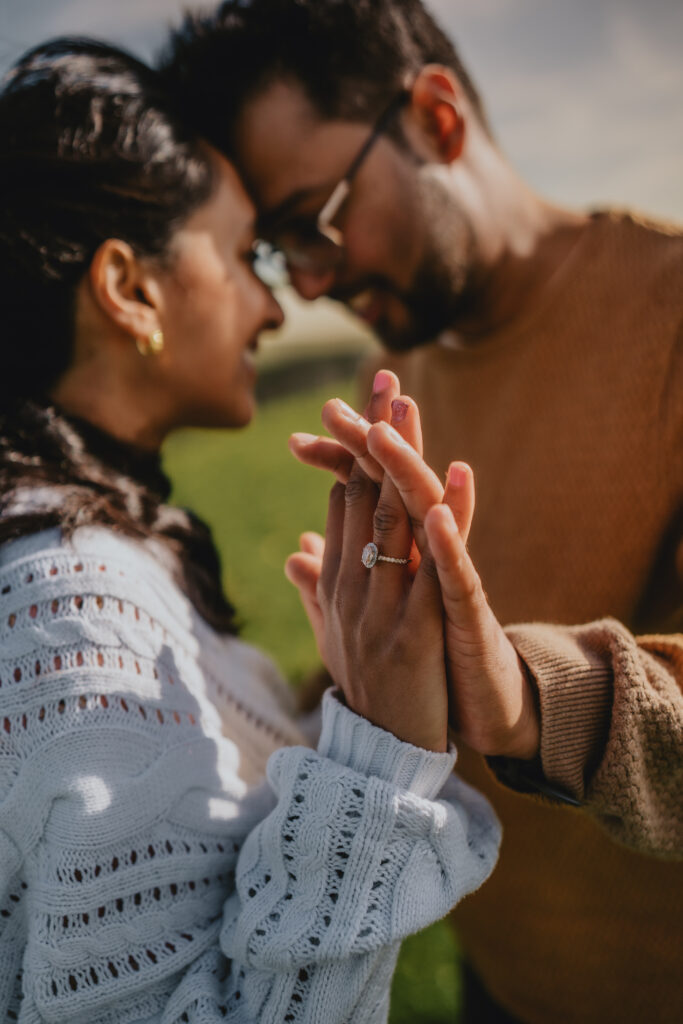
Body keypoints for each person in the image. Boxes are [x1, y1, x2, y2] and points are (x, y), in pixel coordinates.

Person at [161, 1, 683, 1021]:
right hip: (491, 983)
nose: (309, 283)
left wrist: (525, 696)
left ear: (436, 118)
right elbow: (406, 657)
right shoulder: (401, 367)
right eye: (274, 253)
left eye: (315, 218)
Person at [0, 37, 502, 1023]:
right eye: (239, 257)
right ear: (129, 288)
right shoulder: (75, 623)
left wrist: (362, 691)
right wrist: (381, 746)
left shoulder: (73, 558)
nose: (275, 303)